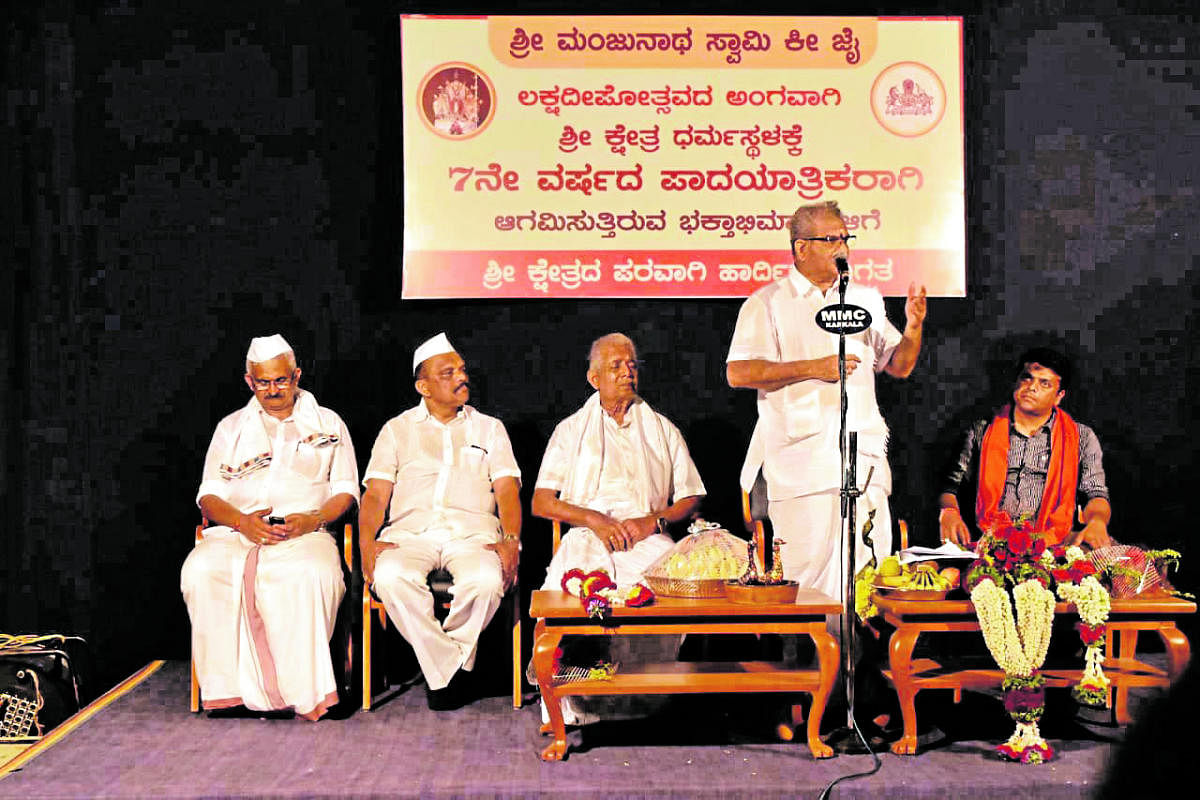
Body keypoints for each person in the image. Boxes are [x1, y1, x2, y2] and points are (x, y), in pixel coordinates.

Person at [726, 200, 927, 603]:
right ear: (801, 248)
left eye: (846, 238)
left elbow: (899, 366)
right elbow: (739, 372)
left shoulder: (865, 299)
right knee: (808, 581)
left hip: (863, 461)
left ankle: (859, 664)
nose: (844, 249)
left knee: (869, 572)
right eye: (832, 239)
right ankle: (812, 663)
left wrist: (914, 326)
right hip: (804, 467)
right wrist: (813, 367)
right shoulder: (767, 303)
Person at [181, 334, 359, 720]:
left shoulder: (328, 423)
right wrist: (242, 522)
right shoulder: (230, 429)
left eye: (281, 381)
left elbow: (346, 491)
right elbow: (208, 496)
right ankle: (228, 693)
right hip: (237, 531)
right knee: (201, 569)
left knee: (312, 573)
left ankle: (304, 693)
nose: (273, 390)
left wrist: (313, 519)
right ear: (250, 381)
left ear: (296, 376)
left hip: (306, 532)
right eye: (263, 382)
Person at [359, 333, 521, 710]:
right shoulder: (396, 430)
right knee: (389, 577)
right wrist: (367, 541)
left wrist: (511, 538)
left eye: (462, 370)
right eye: (448, 372)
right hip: (409, 535)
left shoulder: (490, 429)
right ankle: (451, 670)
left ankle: (440, 671)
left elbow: (508, 491)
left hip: (473, 536)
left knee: (486, 581)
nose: (461, 377)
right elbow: (376, 495)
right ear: (423, 386)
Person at [533, 333, 706, 590]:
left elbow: (692, 495)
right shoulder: (569, 430)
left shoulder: (663, 429)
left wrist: (653, 522)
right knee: (560, 607)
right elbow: (541, 502)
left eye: (632, 365)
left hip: (648, 539)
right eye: (616, 366)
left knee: (673, 595)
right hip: (586, 538)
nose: (628, 372)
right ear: (595, 380)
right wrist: (593, 520)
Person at [939, 347, 1112, 549]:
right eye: (1027, 378)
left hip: (1054, 548)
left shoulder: (1081, 437)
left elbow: (1096, 494)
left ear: (1059, 396)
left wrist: (1097, 521)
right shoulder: (982, 431)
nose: (1032, 387)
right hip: (989, 545)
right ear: (1016, 382)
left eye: (1044, 383)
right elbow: (951, 487)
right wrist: (948, 512)